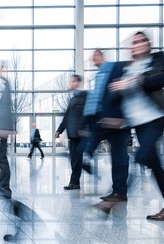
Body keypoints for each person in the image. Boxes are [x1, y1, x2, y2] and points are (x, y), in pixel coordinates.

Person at [109, 31, 164, 220]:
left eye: (142, 40)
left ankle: (117, 197)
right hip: (138, 123)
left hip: (156, 118)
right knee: (155, 165)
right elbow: (121, 95)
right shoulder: (127, 68)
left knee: (142, 156)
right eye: (135, 42)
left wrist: (135, 80)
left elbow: (159, 78)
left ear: (148, 44)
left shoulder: (157, 59)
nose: (139, 44)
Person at [82, 49, 130, 203]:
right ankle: (89, 164)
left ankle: (119, 192)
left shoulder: (115, 67)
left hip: (116, 121)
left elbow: (124, 86)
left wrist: (120, 116)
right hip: (101, 120)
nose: (93, 59)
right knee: (87, 148)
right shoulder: (98, 75)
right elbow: (98, 98)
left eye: (95, 56)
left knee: (119, 156)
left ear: (101, 56)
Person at [55, 75, 88, 190]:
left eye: (72, 81)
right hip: (72, 134)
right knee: (74, 158)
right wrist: (59, 130)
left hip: (79, 133)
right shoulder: (73, 98)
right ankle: (75, 181)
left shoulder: (84, 96)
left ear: (78, 83)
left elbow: (87, 114)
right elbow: (67, 116)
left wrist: (83, 128)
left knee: (76, 159)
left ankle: (75, 182)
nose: (70, 84)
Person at [0, 65, 14, 199]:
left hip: (4, 128)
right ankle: (3, 188)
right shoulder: (5, 95)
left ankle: (5, 189)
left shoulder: (6, 94)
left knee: (2, 159)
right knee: (1, 158)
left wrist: (3, 77)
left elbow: (5, 110)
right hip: (4, 127)